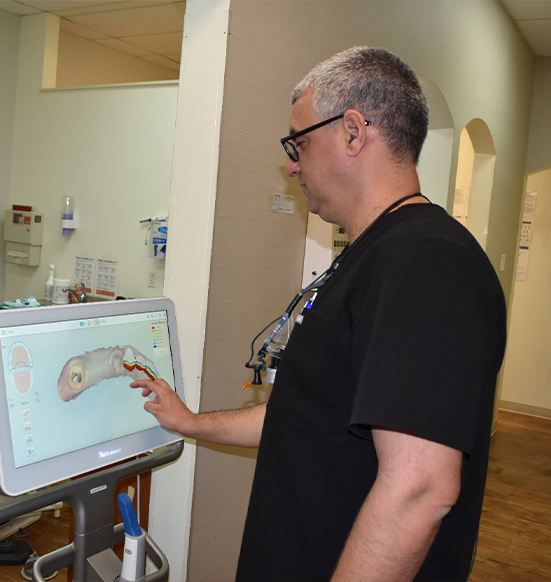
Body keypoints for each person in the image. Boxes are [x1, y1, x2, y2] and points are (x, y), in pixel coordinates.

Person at [131, 47, 507, 582]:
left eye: (299, 142)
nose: (291, 163)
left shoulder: (427, 263)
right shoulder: (370, 255)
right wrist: (191, 422)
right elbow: (310, 415)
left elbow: (420, 486)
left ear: (353, 132)